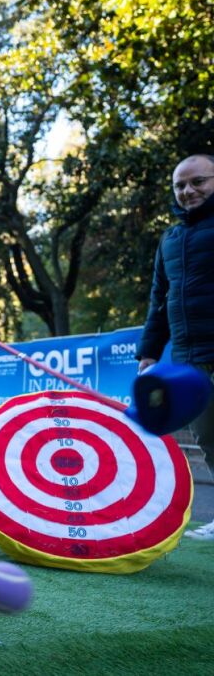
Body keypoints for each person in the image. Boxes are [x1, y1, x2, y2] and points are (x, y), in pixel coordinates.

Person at [138, 153, 214, 540]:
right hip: (189, 357)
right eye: (180, 185)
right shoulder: (169, 239)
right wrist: (149, 353)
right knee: (207, 435)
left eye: (198, 181)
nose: (188, 191)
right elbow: (159, 300)